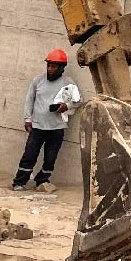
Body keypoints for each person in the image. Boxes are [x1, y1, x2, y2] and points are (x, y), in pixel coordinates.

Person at [13, 47, 82, 193]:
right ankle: (19, 182)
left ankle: (42, 181)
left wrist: (66, 106)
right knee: (29, 156)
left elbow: (79, 100)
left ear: (61, 68)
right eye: (48, 65)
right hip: (37, 127)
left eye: (53, 66)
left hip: (56, 129)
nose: (50, 69)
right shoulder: (38, 80)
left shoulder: (68, 83)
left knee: (50, 159)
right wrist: (27, 119)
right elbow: (29, 100)